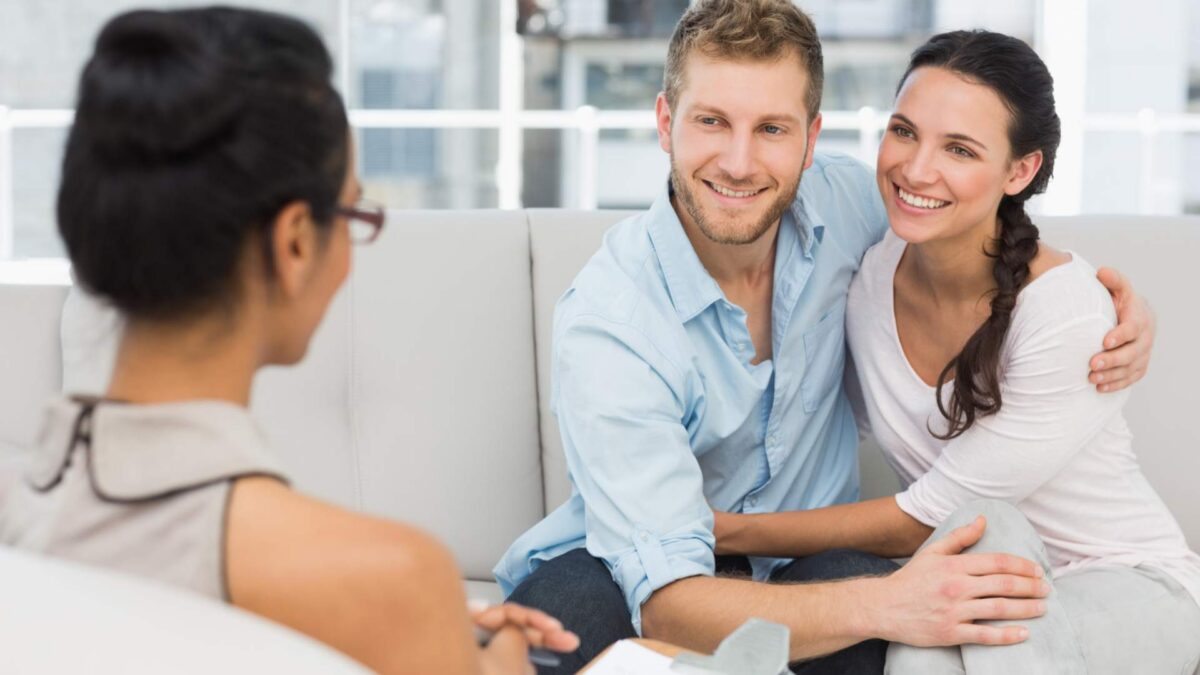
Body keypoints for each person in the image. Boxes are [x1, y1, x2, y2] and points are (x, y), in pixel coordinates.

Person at [494, 2, 1158, 673]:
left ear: (811, 140)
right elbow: (668, 600)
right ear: (666, 123)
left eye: (772, 128)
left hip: (809, 566)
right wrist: (889, 604)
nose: (739, 162)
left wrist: (1104, 302)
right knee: (557, 616)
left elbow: (973, 223)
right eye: (711, 121)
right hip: (638, 567)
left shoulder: (855, 204)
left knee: (865, 621)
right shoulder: (610, 322)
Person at [0, 8, 576, 675]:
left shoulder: (21, 515)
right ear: (296, 242)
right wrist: (495, 659)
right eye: (353, 213)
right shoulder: (390, 577)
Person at [710, 30, 1200, 674]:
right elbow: (805, 411)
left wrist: (725, 531)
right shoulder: (866, 279)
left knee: (979, 534)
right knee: (929, 637)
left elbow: (928, 516)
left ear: (1019, 171)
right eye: (905, 131)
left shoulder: (1065, 314)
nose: (916, 170)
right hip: (972, 568)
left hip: (1129, 586)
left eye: (960, 149)